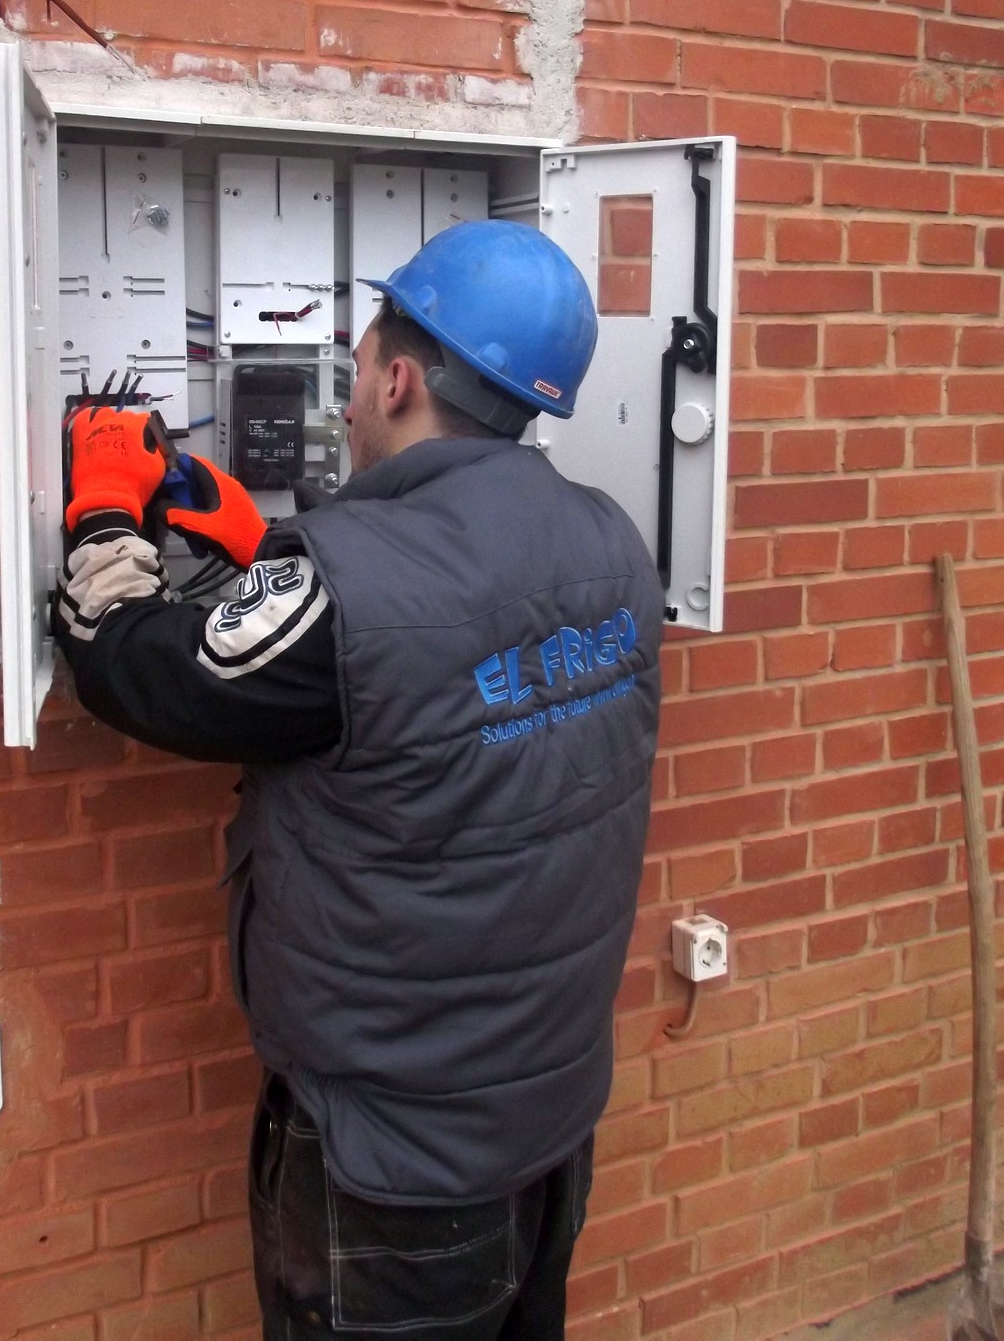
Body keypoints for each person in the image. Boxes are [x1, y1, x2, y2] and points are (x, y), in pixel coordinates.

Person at [55, 219, 664, 1340]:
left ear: (397, 379)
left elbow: (131, 663)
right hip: (549, 1120)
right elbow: (443, 664)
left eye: (357, 363)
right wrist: (268, 555)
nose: (341, 403)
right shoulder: (613, 543)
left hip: (395, 1168)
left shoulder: (344, 593)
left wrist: (100, 506)